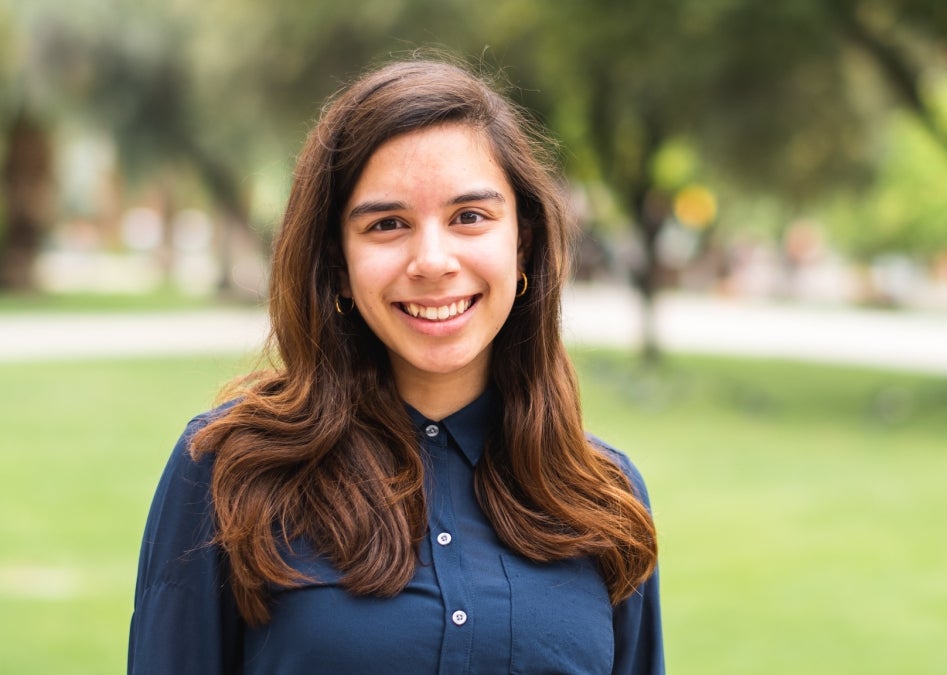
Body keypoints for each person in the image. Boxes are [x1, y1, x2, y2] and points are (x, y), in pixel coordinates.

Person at [128, 59, 662, 674]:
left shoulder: (605, 496)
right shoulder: (227, 472)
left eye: (469, 217)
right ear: (339, 264)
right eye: (387, 224)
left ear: (524, 243)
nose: (432, 261)